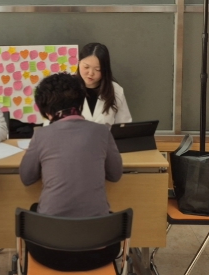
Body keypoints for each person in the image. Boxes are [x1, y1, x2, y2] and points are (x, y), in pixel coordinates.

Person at [20, 73, 123, 271]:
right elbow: (115, 174)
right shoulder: (102, 132)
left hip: (48, 251)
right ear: (81, 101)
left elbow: (27, 178)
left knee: (34, 210)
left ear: (46, 110)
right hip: (100, 249)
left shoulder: (41, 135)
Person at [76, 43, 132, 125]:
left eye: (98, 69)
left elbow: (123, 124)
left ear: (105, 70)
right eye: (86, 67)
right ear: (79, 63)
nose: (91, 73)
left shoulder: (115, 90)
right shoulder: (66, 89)